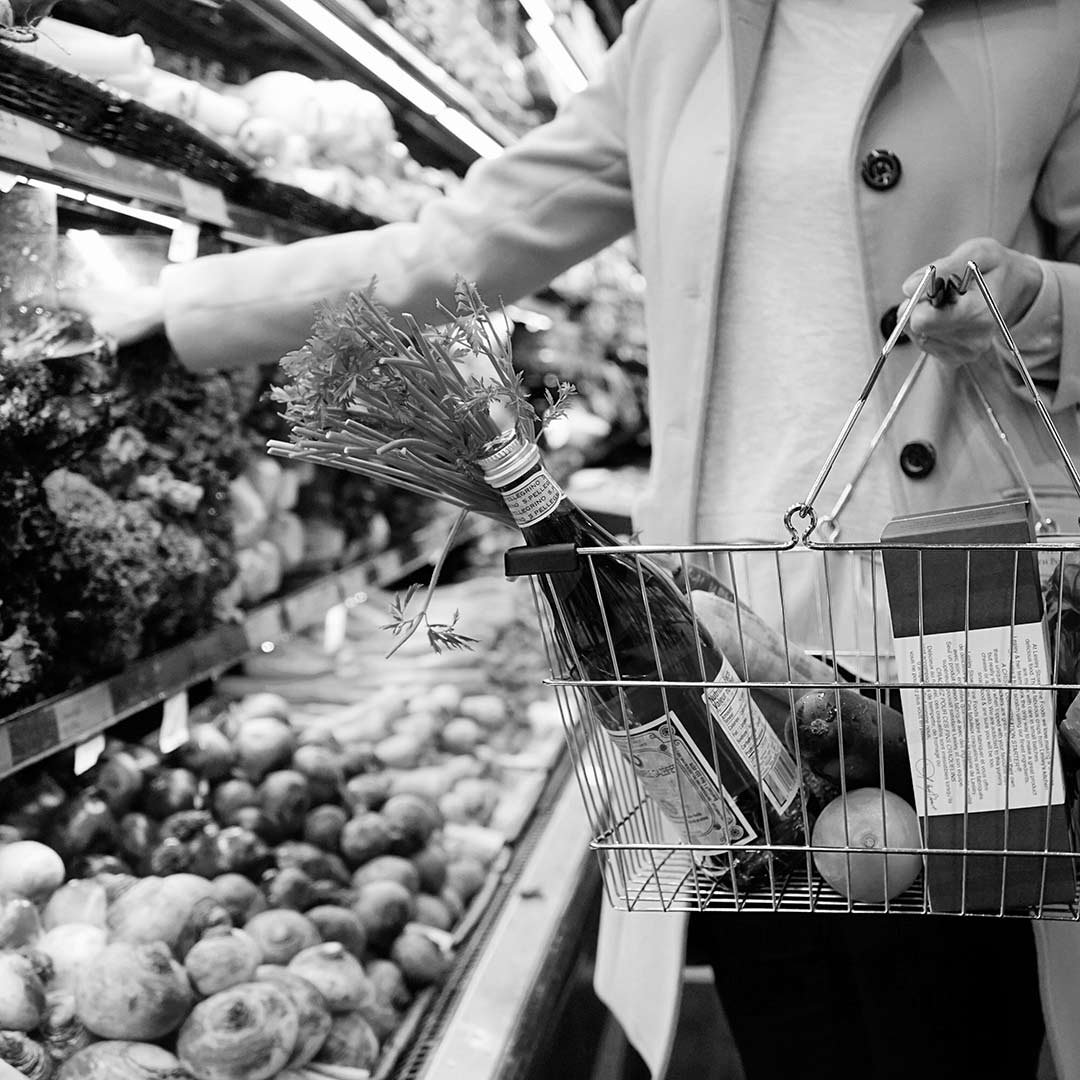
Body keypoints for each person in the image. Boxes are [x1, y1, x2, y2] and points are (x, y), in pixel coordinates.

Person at [100, 1, 1080, 1076]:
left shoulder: (1045, 20)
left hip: (964, 628)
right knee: (791, 1024)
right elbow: (460, 244)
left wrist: (1037, 307)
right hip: (713, 642)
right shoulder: (684, 30)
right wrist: (186, 299)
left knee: (957, 1029)